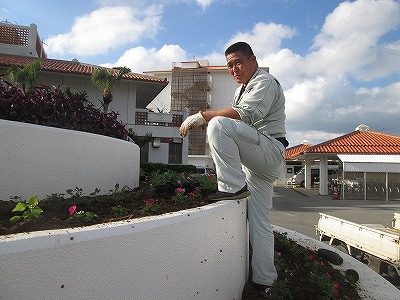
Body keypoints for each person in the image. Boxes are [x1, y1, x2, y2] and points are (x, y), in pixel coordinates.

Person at [179, 41, 288, 298]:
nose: (234, 69)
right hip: (259, 161)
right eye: (229, 65)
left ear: (253, 60)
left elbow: (244, 115)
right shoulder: (242, 90)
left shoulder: (265, 81)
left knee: (218, 124)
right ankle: (264, 281)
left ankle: (231, 187)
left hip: (270, 150)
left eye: (238, 62)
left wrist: (201, 116)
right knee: (260, 221)